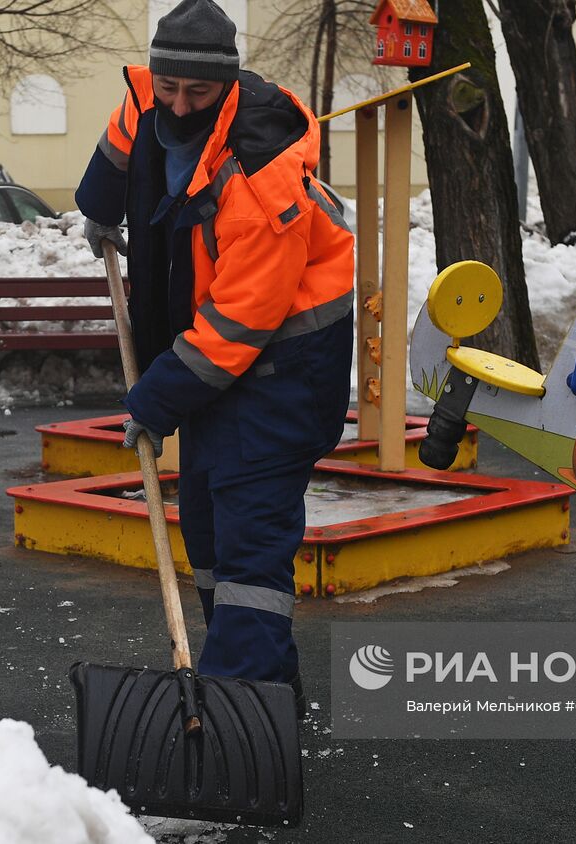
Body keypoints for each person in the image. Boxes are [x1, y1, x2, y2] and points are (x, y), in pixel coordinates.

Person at [75, 0, 353, 711]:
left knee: (249, 548)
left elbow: (240, 322)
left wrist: (154, 398)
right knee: (204, 526)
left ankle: (237, 713)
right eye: (169, 86)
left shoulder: (261, 176)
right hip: (215, 362)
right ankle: (266, 698)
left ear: (226, 86)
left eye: (197, 92)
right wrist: (101, 202)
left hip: (284, 369)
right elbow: (119, 148)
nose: (179, 103)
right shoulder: (147, 100)